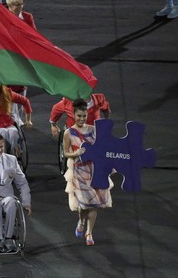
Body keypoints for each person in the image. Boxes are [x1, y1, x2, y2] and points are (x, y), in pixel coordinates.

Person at [63, 98, 113, 246]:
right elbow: (65, 153)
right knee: (84, 204)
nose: (82, 118)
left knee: (94, 203)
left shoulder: (93, 129)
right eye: (79, 116)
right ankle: (81, 220)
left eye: (84, 116)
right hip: (79, 171)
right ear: (73, 115)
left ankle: (89, 232)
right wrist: (76, 153)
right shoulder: (68, 133)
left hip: (95, 169)